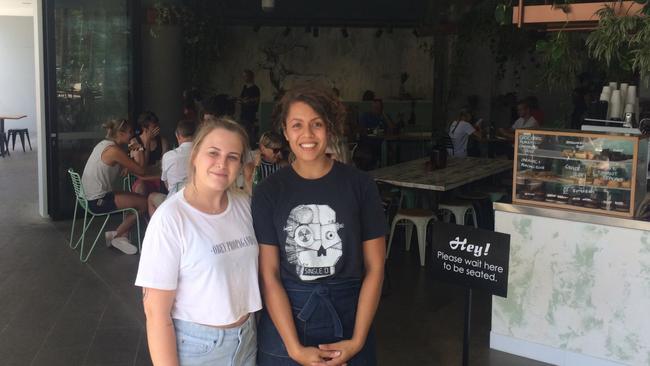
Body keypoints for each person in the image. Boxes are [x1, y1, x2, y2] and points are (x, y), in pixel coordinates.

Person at [252, 85, 387, 365]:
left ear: (330, 129)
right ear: (286, 131)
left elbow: (375, 268)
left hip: (351, 317)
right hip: (286, 318)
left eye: (317, 124)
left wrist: (357, 341)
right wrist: (293, 348)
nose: (308, 135)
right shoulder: (268, 191)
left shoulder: (361, 185)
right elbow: (270, 274)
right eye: (297, 125)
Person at [136, 117, 262, 366]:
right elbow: (156, 314)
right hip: (199, 347)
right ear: (194, 155)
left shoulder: (243, 204)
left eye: (233, 157)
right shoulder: (171, 218)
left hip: (246, 338)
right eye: (213, 153)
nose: (222, 164)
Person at [81, 119, 150, 255]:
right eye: (130, 132)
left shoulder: (104, 144)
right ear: (120, 133)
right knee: (143, 203)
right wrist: (143, 144)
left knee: (136, 198)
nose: (132, 135)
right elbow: (142, 170)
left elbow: (119, 163)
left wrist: (125, 165)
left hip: (89, 196)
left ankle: (121, 236)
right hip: (98, 201)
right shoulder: (114, 150)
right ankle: (116, 236)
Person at [147, 119, 196, 216]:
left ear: (178, 136)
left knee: (151, 197)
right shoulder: (204, 154)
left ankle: (156, 229)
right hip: (198, 202)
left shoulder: (168, 156)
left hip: (175, 203)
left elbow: (166, 184)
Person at [130, 111, 169, 196]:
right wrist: (147, 142)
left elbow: (164, 166)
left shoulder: (162, 141)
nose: (157, 129)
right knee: (141, 188)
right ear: (145, 128)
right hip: (142, 180)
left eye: (157, 126)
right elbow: (142, 168)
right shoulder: (134, 142)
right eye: (154, 127)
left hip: (159, 178)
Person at [240, 69, 261, 145]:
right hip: (243, 113)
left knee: (250, 132)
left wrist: (248, 101)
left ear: (250, 77)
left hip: (251, 114)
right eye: (243, 76)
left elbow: (256, 100)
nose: (244, 78)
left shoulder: (255, 89)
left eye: (245, 76)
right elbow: (241, 98)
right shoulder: (245, 87)